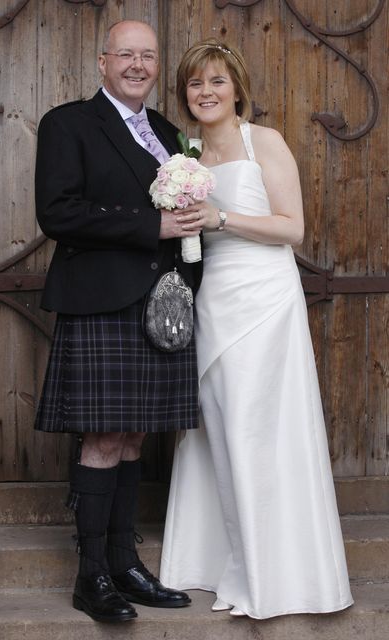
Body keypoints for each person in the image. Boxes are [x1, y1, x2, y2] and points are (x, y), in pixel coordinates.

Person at [160, 39, 354, 619]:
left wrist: (221, 216)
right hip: (213, 296)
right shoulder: (186, 152)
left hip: (265, 297)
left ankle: (269, 573)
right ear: (185, 95)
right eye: (196, 84)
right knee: (216, 425)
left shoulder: (261, 141)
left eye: (217, 81)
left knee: (256, 425)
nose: (206, 92)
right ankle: (220, 557)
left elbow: (292, 228)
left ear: (237, 88)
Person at [34, 20, 202, 623]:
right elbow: (57, 212)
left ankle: (126, 566)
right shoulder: (68, 123)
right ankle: (91, 577)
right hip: (102, 298)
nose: (138, 65)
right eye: (126, 54)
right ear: (103, 61)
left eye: (148, 56)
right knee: (104, 437)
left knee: (133, 437)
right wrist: (150, 227)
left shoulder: (167, 132)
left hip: (159, 302)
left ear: (158, 66)